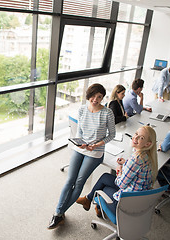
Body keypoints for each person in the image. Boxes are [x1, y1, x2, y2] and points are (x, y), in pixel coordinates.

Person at [47, 83, 116, 229]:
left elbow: (112, 135)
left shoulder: (107, 113)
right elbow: (80, 132)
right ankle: (59, 214)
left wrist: (97, 145)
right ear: (88, 95)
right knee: (69, 180)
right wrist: (80, 143)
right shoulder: (82, 109)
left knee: (79, 182)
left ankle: (58, 213)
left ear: (102, 98)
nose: (95, 99)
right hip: (81, 148)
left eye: (99, 97)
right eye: (93, 96)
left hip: (96, 152)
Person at [76, 126, 158, 216]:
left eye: (141, 138)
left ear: (147, 144)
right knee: (105, 177)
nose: (136, 137)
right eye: (136, 134)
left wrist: (119, 170)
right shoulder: (147, 155)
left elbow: (121, 184)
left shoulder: (135, 160)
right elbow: (136, 168)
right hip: (137, 197)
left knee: (103, 188)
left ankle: (95, 205)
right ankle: (88, 200)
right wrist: (126, 163)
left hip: (124, 205)